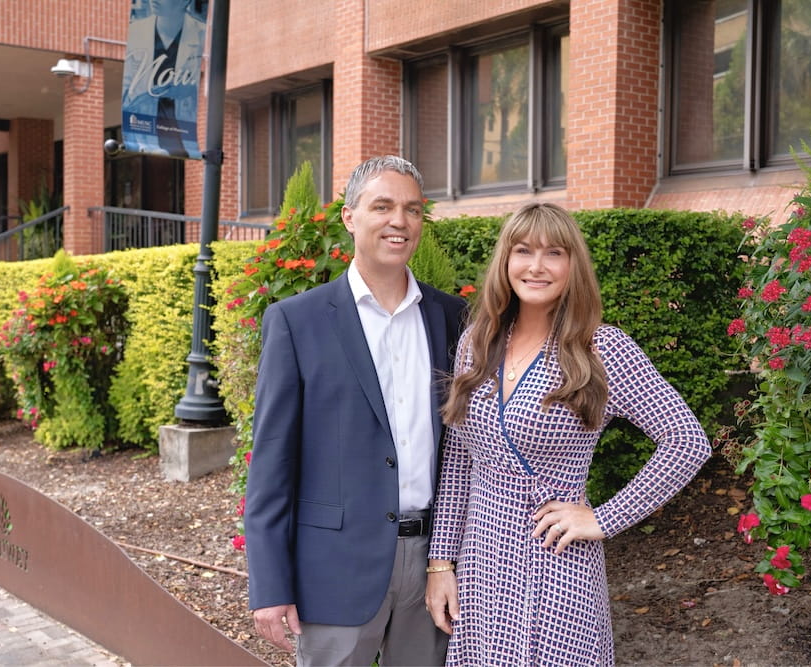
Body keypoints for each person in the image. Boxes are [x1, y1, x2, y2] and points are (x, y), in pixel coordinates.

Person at [425, 202, 711, 665]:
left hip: (557, 562)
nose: (536, 266)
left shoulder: (602, 348)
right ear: (505, 260)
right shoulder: (477, 341)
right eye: (523, 251)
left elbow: (687, 441)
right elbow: (460, 460)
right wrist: (441, 563)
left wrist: (603, 518)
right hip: (481, 565)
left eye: (553, 253)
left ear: (573, 265)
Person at [244, 156, 467, 666]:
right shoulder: (296, 321)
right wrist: (270, 585)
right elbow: (273, 463)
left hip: (435, 563)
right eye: (382, 206)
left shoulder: (452, 317)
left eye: (412, 209)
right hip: (335, 568)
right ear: (350, 217)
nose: (399, 221)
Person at [121, 0, 205, 157]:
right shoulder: (137, 32)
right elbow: (128, 93)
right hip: (144, 132)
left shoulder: (202, 35)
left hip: (182, 132)